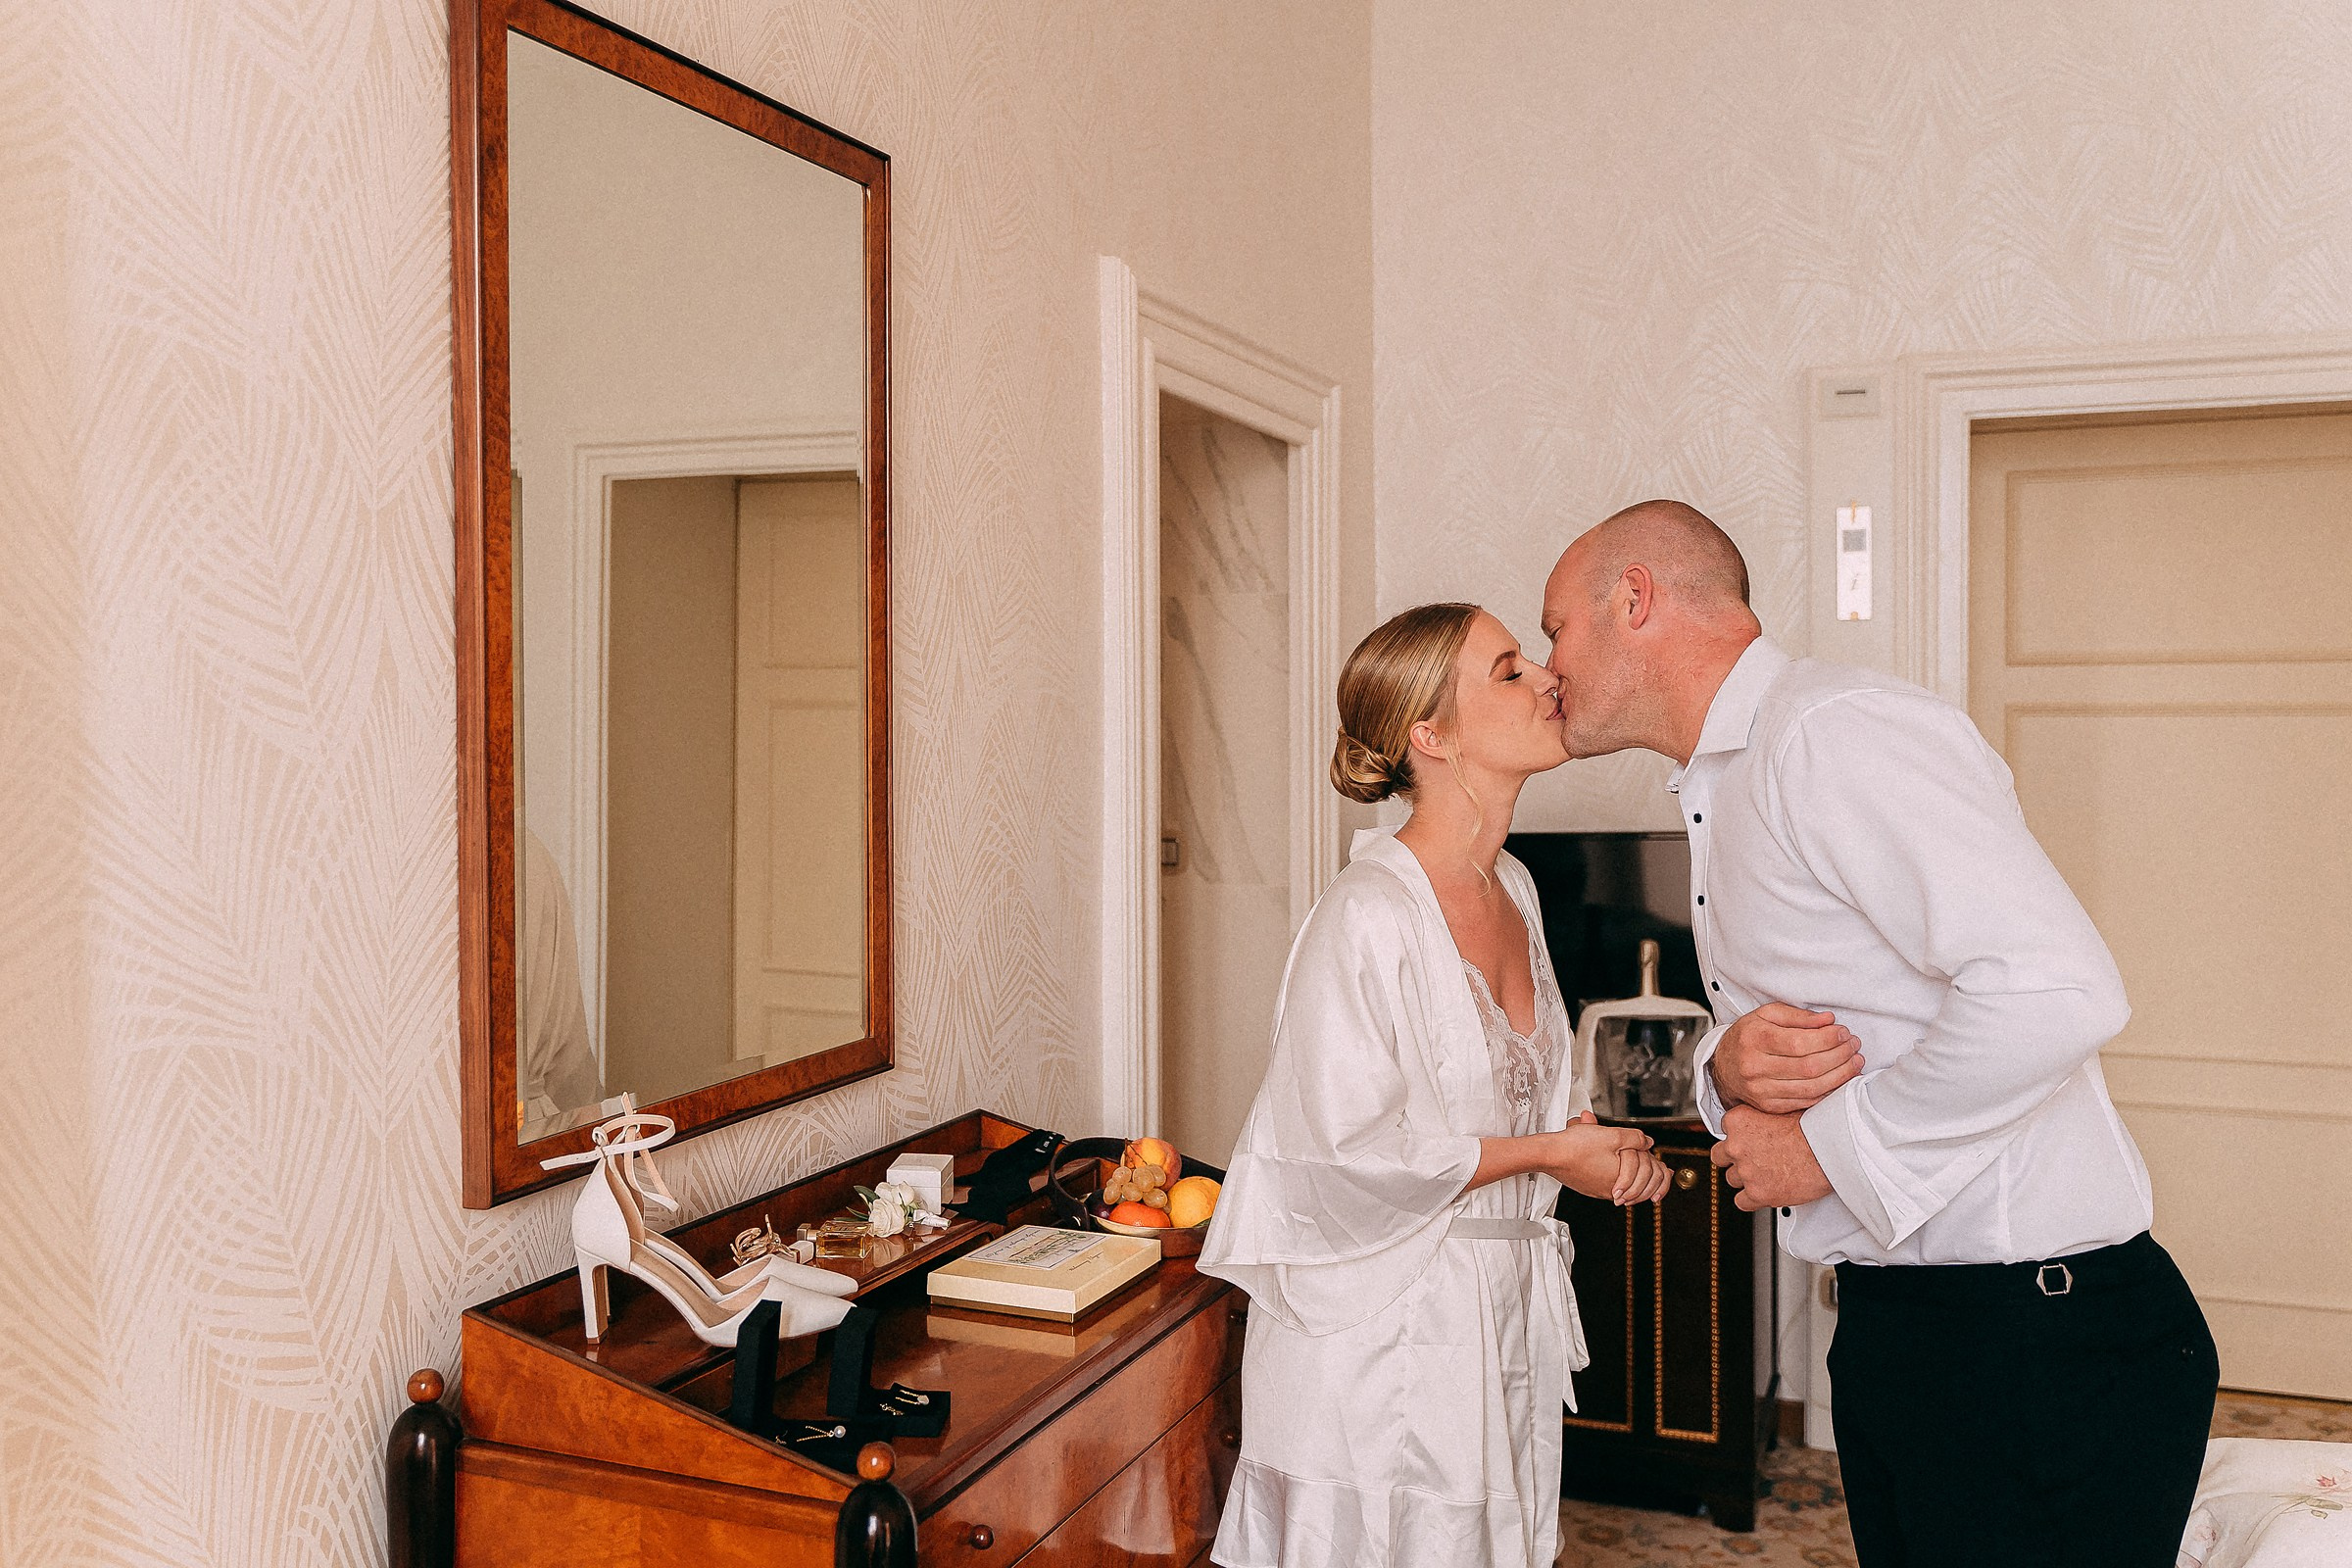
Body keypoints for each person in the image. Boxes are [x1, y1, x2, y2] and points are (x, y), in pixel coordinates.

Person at [1539, 499, 2219, 1567]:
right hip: (1910, 1330)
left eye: (1554, 630)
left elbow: (2057, 989)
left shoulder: (1832, 733)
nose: (1548, 667)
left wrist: (1821, 1148)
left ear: (1634, 601)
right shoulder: (1731, 778)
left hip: (2038, 1339)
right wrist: (1721, 1068)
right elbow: (1788, 1038)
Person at [1200, 603, 1672, 1568]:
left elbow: (1505, 1094)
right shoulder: (1367, 915)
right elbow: (1339, 1155)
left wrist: (1588, 1148)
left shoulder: (1519, 891)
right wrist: (1548, 1153)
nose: (1547, 678)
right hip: (1377, 1342)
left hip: (1491, 1319)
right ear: (1431, 734)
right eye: (1507, 670)